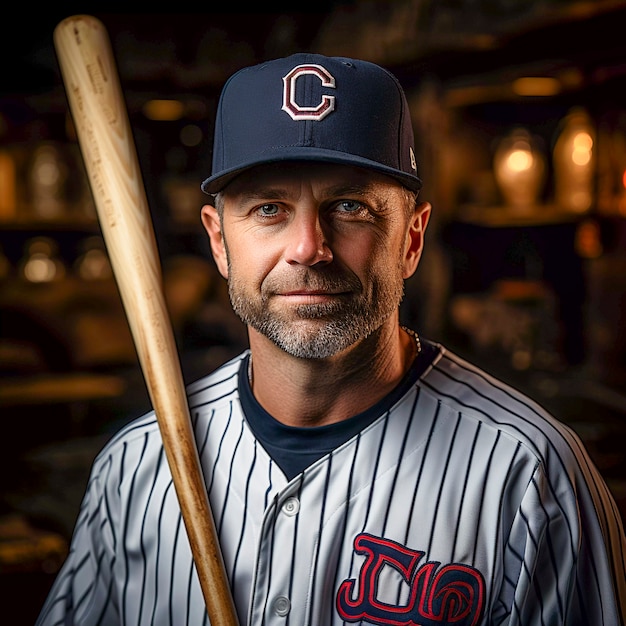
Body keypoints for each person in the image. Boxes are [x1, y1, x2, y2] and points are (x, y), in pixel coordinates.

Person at [36, 53, 625, 626]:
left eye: (351, 207)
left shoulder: (532, 477)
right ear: (218, 242)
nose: (308, 248)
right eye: (269, 208)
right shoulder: (136, 466)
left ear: (412, 239)